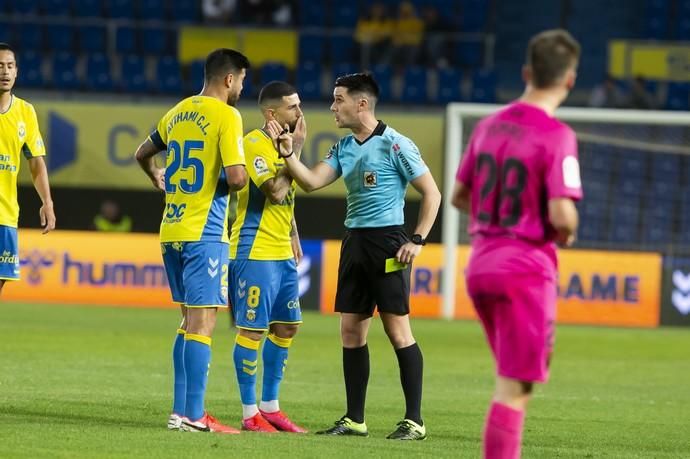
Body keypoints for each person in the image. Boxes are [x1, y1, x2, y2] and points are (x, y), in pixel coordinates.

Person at [280, 73, 441, 440]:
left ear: (362, 103)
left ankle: (414, 421)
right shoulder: (343, 148)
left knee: (397, 330)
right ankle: (355, 419)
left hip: (388, 243)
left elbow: (432, 194)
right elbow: (310, 181)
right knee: (351, 332)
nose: (333, 107)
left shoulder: (396, 144)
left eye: (339, 100)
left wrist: (417, 239)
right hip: (354, 242)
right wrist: (290, 152)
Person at [451, 29, 582, 458]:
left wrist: (496, 220)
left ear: (527, 72)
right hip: (524, 267)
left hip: (482, 263)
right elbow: (562, 216)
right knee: (514, 389)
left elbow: (459, 195)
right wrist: (567, 230)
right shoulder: (557, 135)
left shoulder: (488, 126)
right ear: (569, 80)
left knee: (511, 381)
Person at [134, 48, 250, 434]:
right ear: (230, 79)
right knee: (202, 323)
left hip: (172, 229)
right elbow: (236, 178)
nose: (241, 90)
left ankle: (180, 412)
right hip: (205, 232)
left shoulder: (178, 111)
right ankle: (195, 416)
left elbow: (142, 153)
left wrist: (156, 176)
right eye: (242, 82)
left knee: (187, 322)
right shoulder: (227, 115)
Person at [228, 81, 307, 433]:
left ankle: (271, 407)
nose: (300, 113)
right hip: (253, 248)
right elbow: (275, 191)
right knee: (252, 330)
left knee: (286, 326)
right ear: (272, 113)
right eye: (293, 107)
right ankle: (249, 414)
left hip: (280, 250)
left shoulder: (283, 146)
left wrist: (292, 232)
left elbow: (287, 200)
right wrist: (297, 151)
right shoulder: (253, 143)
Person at [0, 42, 56, 297]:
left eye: (10, 66)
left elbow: (36, 162)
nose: (5, 72)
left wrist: (47, 201)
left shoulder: (25, 112)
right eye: (0, 66)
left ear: (17, 71)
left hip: (5, 214)